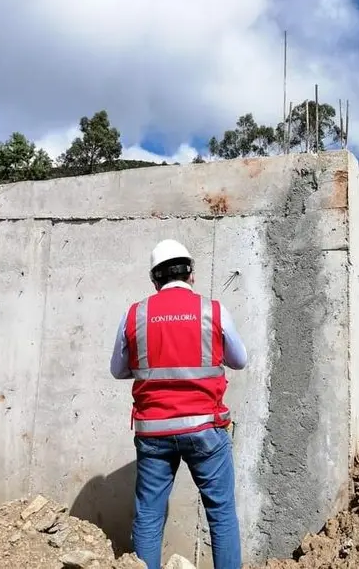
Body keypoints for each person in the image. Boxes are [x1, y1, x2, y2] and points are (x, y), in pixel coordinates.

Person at [109, 239, 248, 569]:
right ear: (191, 275)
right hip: (205, 429)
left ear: (154, 279)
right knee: (221, 514)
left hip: (154, 431)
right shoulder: (213, 311)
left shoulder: (135, 314)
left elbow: (118, 369)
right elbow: (239, 360)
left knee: (148, 516)